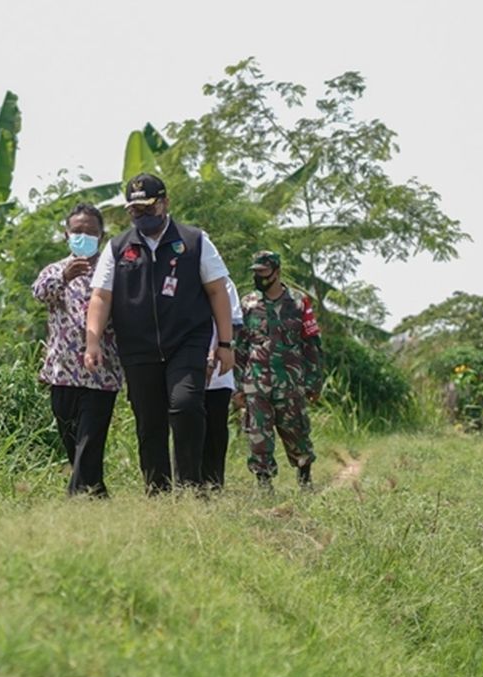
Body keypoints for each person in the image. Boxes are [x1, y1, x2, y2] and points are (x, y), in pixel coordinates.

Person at [83, 173, 234, 493]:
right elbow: (101, 296)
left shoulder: (195, 241)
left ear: (164, 203)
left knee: (186, 404)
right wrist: (92, 340)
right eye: (135, 211)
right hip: (138, 348)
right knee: (149, 422)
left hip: (187, 341)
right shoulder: (118, 248)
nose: (142, 216)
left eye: (148, 208)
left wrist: (225, 343)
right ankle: (158, 491)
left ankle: (191, 485)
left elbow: (218, 292)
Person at [32, 203, 123, 496]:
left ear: (101, 234)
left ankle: (77, 497)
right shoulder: (55, 270)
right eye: (77, 231)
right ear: (67, 234)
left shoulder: (113, 271)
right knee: (72, 440)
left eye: (90, 232)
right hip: (62, 372)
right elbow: (39, 294)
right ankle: (96, 494)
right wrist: (65, 277)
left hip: (101, 372)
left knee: (90, 439)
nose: (83, 236)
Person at [233, 250, 324, 491]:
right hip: (256, 381)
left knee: (297, 432)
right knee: (258, 434)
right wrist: (237, 387)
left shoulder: (298, 303)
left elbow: (311, 344)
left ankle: (305, 479)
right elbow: (240, 347)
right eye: (256, 272)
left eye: (263, 272)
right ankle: (264, 484)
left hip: (290, 381)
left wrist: (314, 382)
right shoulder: (248, 304)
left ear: (276, 271)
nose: (259, 277)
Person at [202, 275, 244, 490]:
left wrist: (219, 349)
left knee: (216, 427)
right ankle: (190, 481)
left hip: (219, 368)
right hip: (186, 366)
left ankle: (214, 482)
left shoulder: (225, 282)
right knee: (188, 425)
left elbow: (234, 321)